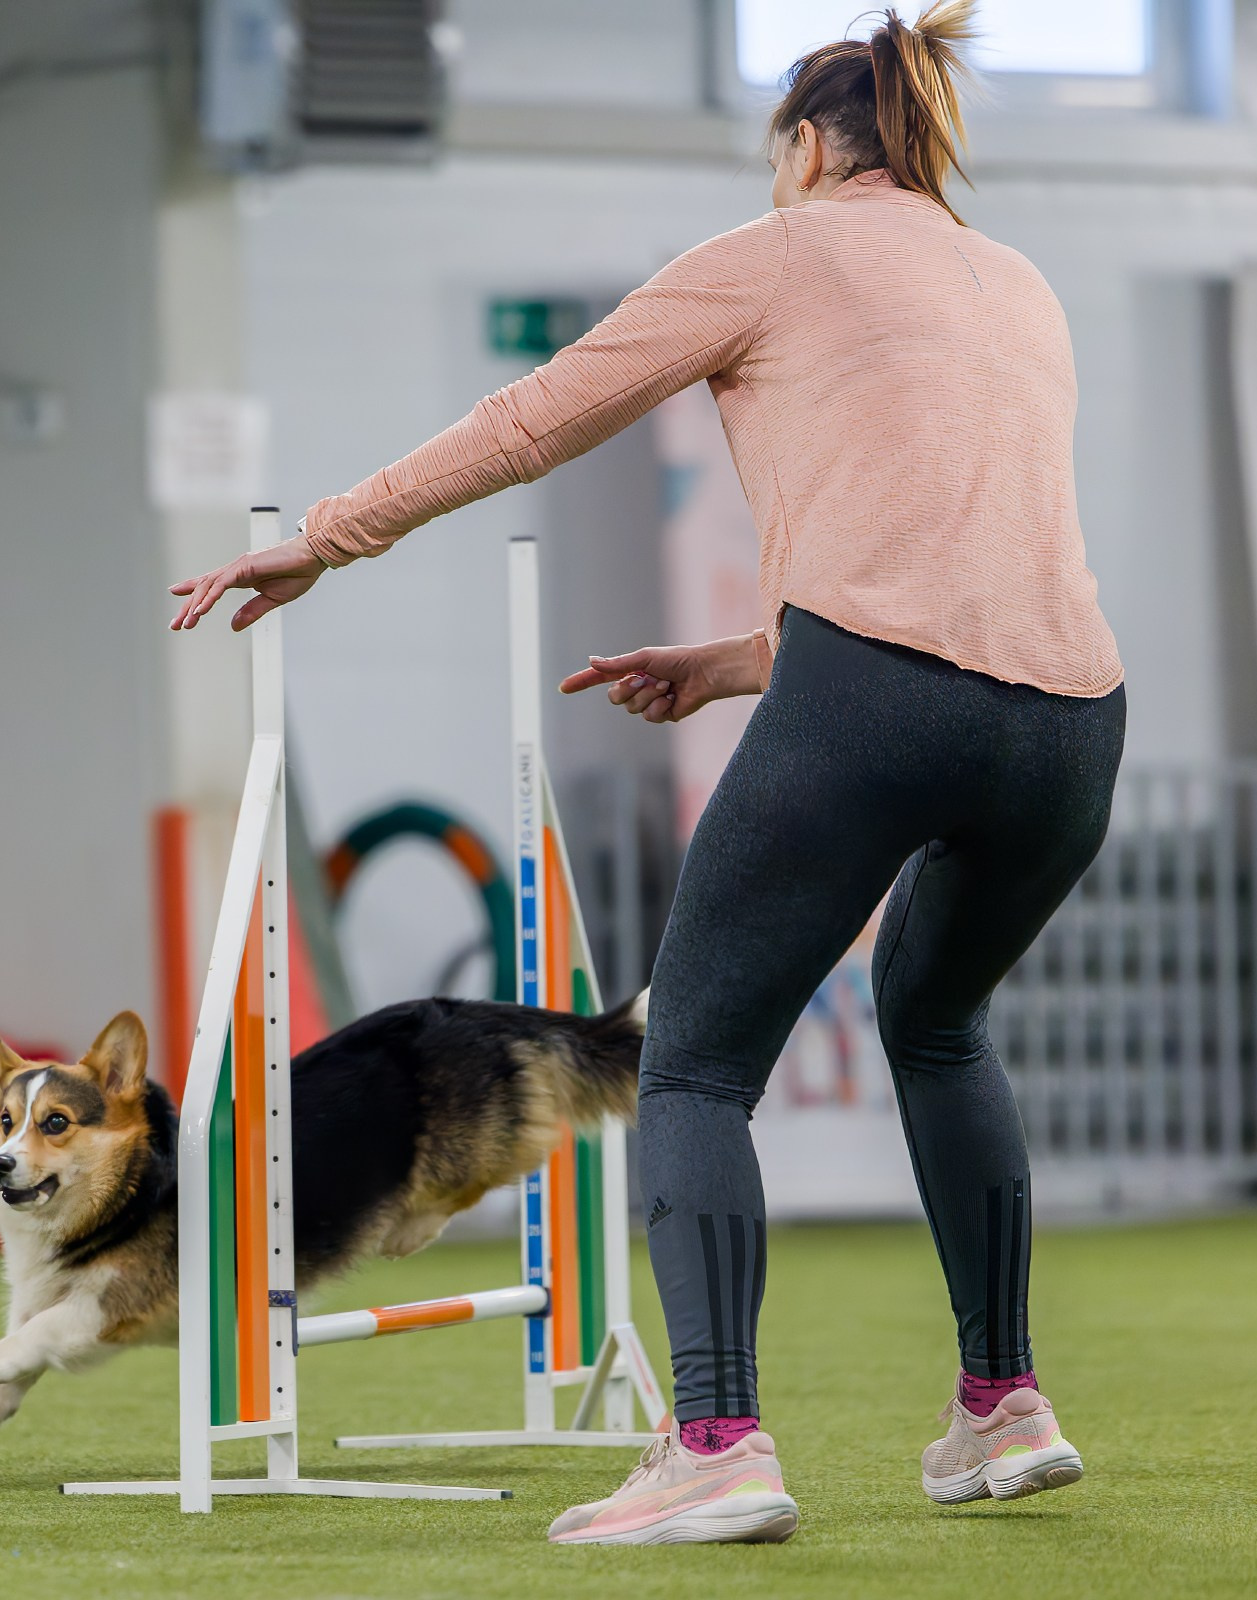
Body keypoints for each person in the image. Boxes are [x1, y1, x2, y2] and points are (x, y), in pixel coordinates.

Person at [168, 0, 1121, 1548]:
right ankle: (1003, 1405)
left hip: (880, 700)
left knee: (690, 1065)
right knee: (941, 1025)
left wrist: (328, 537)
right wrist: (746, 661)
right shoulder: (1017, 283)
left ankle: (718, 1443)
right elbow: (964, 554)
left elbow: (537, 416)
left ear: (805, 148)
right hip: (1073, 722)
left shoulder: (782, 250)